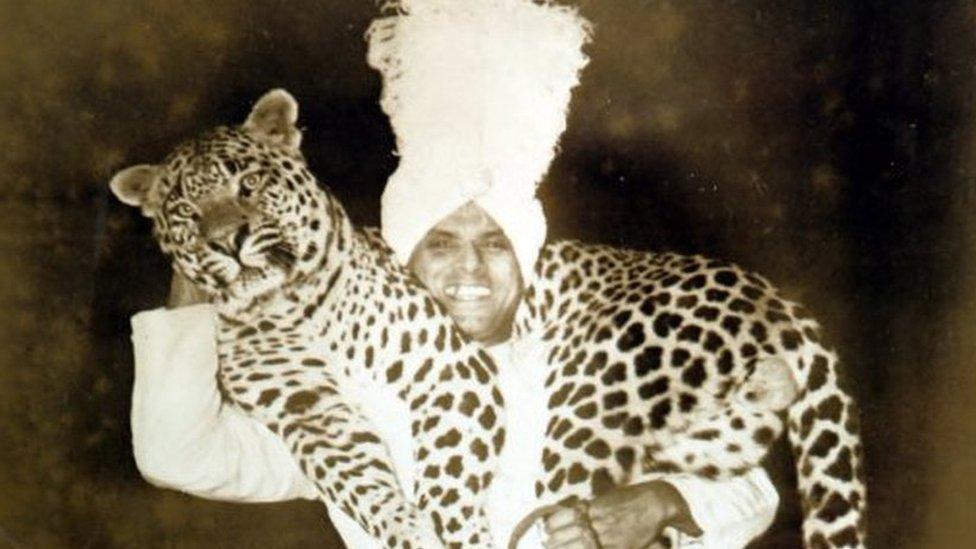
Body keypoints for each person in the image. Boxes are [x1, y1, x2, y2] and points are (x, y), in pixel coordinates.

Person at [128, 1, 779, 547]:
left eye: (496, 242)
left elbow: (752, 491)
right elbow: (174, 452)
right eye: (439, 242)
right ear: (401, 257)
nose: (470, 266)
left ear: (524, 256)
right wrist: (202, 248)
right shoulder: (348, 399)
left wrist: (659, 501)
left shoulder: (588, 358)